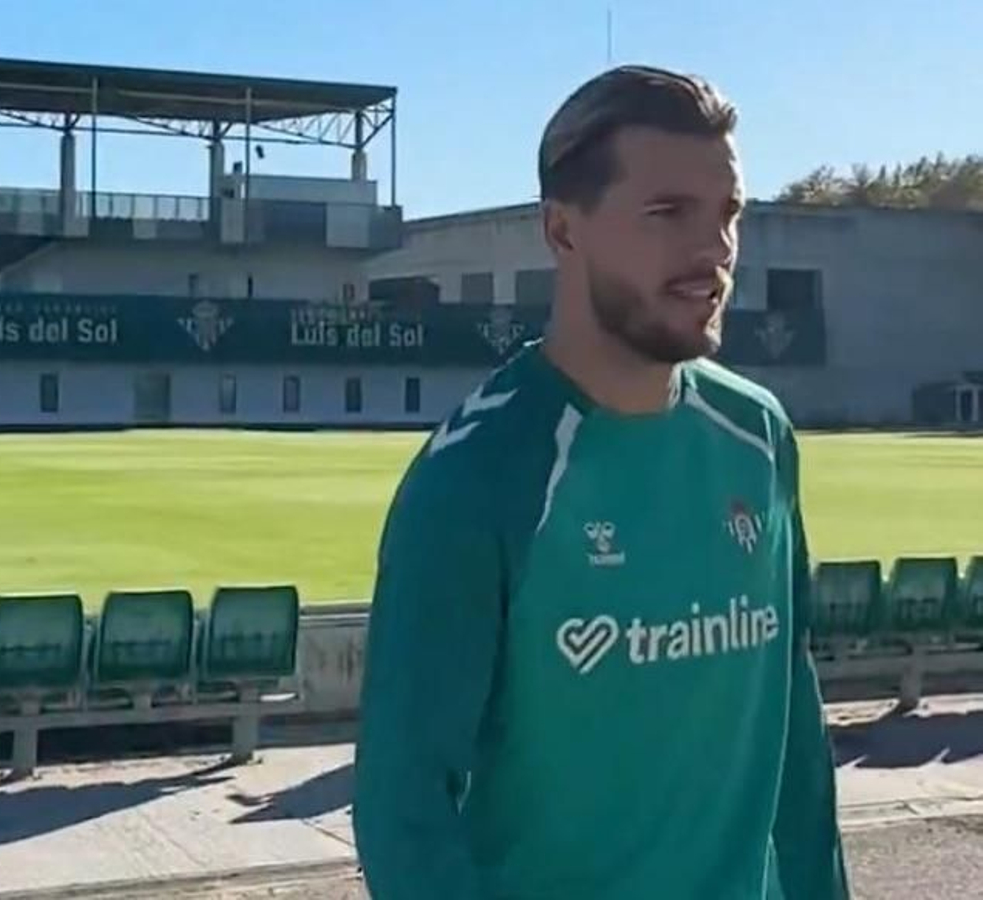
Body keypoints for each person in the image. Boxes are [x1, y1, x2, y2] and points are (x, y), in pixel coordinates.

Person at [352, 66, 849, 899]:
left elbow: (794, 731)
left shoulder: (757, 436)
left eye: (728, 214)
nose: (714, 249)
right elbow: (406, 810)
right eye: (667, 213)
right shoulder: (479, 474)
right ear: (562, 229)